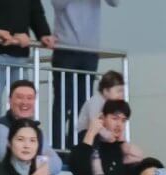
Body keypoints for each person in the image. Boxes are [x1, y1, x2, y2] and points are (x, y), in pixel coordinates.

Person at [50, 0, 119, 149]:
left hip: (89, 50)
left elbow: (115, 2)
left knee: (83, 104)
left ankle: (77, 146)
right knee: (62, 102)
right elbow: (57, 4)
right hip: (65, 47)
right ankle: (59, 147)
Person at [0, 0, 54, 121]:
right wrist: (13, 34)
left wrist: (44, 34)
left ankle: (21, 134)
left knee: (23, 101)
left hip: (19, 54)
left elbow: (35, 12)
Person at [0, 80, 63, 174]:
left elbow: (57, 165)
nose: (25, 102)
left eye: (30, 98)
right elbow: (13, 165)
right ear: (10, 100)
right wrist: (39, 161)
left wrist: (27, 161)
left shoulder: (37, 130)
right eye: (19, 97)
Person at [74, 69, 124, 140]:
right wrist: (108, 135)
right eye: (118, 91)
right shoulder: (96, 101)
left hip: (100, 134)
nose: (121, 95)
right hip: (86, 133)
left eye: (122, 91)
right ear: (106, 91)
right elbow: (94, 122)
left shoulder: (112, 104)